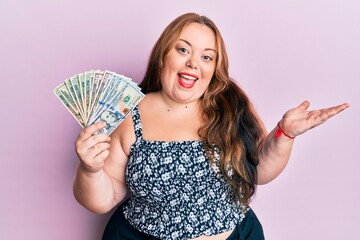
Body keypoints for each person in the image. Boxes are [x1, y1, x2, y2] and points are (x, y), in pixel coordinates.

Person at [72, 12, 349, 240]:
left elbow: (259, 172)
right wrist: (89, 168)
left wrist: (285, 134)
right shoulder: (129, 114)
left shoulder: (230, 107)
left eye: (207, 57)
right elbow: (102, 200)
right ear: (163, 55)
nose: (193, 63)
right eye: (183, 50)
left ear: (215, 67)